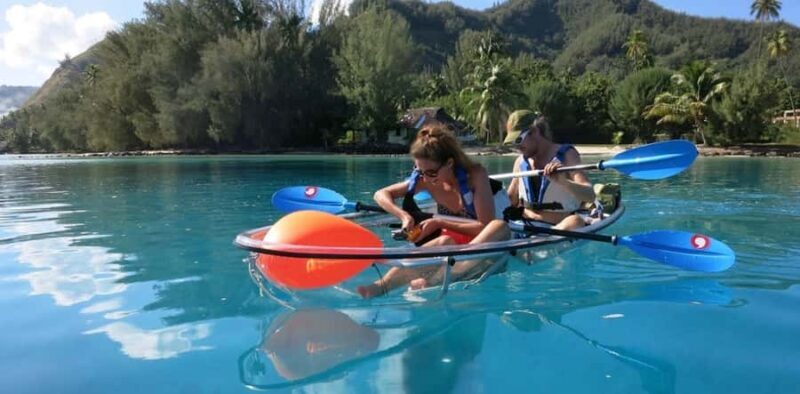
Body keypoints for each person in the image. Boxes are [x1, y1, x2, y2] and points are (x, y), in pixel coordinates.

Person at [357, 125, 510, 298]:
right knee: (444, 241)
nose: (425, 178)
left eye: (430, 172)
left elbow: (484, 227)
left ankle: (430, 283)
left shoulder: (475, 175)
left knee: (500, 226)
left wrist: (439, 222)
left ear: (449, 163)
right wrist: (404, 216)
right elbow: (380, 194)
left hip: (482, 249)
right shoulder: (426, 180)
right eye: (419, 171)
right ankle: (381, 286)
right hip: (454, 249)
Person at [503, 110, 595, 230]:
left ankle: (538, 245)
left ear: (534, 131)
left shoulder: (567, 155)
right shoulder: (520, 162)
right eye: (512, 142)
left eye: (518, 140)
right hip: (523, 226)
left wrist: (563, 182)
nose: (516, 146)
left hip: (558, 228)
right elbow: (510, 200)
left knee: (575, 221)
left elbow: (589, 196)